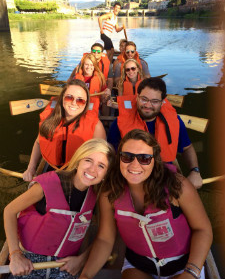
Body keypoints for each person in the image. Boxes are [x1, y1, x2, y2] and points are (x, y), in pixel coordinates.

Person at [79, 129, 213, 279]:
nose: (134, 165)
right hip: (139, 265)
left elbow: (203, 229)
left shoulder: (178, 185)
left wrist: (191, 272)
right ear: (119, 159)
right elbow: (105, 239)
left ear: (154, 160)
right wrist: (86, 275)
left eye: (144, 158)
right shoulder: (109, 192)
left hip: (183, 266)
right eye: (127, 157)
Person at [4, 138, 115, 278]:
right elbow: (9, 211)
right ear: (78, 161)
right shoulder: (48, 184)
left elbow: (103, 237)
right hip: (28, 261)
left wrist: (81, 259)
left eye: (101, 166)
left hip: (64, 266)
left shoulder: (97, 195)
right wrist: (15, 255)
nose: (92, 169)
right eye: (88, 160)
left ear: (105, 174)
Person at [107, 78, 203, 188]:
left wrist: (195, 171)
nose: (148, 105)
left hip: (163, 175)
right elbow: (111, 153)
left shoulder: (174, 121)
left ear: (162, 102)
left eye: (154, 101)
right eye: (144, 99)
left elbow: (187, 147)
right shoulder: (119, 123)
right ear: (137, 97)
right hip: (133, 176)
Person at [23, 79, 106, 181]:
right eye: (69, 97)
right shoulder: (49, 119)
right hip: (52, 169)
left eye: (80, 100)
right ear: (62, 99)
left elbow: (102, 159)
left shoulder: (96, 126)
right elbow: (38, 143)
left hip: (80, 174)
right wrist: (31, 168)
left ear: (85, 104)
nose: (74, 103)